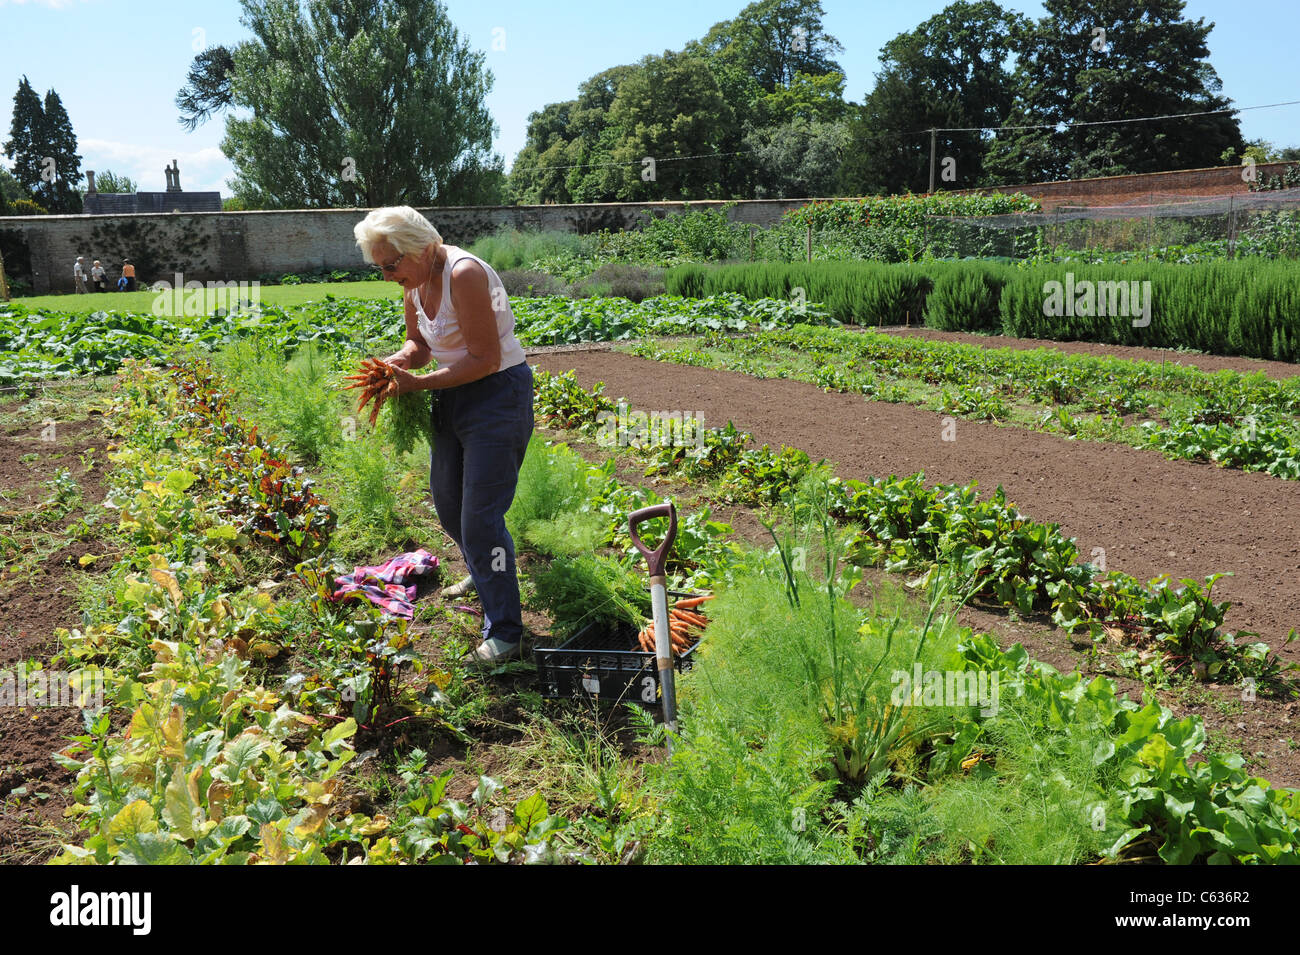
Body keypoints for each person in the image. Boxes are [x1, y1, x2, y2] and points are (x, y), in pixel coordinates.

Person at [352, 206, 533, 665]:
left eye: (391, 265)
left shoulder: (464, 274)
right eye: (380, 267)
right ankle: (481, 569)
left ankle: (506, 634)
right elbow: (421, 345)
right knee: (448, 502)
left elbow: (485, 358)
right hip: (453, 396)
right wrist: (394, 363)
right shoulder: (414, 281)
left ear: (422, 247)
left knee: (481, 518)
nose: (388, 275)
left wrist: (418, 384)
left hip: (496, 396)